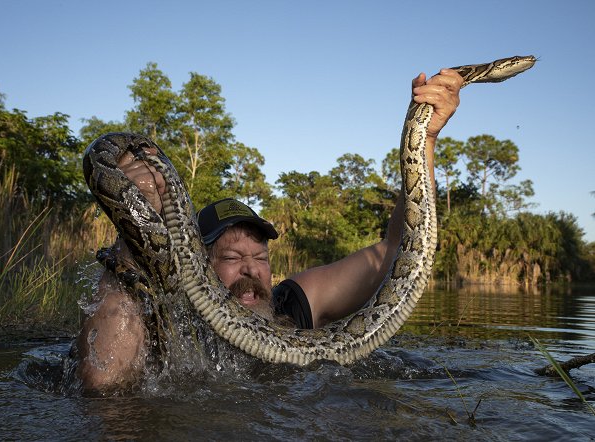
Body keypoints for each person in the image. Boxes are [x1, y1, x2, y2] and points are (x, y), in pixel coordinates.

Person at [76, 68, 464, 392]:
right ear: (198, 262)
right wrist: (135, 222)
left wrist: (424, 137)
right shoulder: (174, 320)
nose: (251, 271)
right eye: (230, 256)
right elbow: (103, 385)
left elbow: (396, 248)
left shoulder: (292, 305)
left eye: (259, 257)